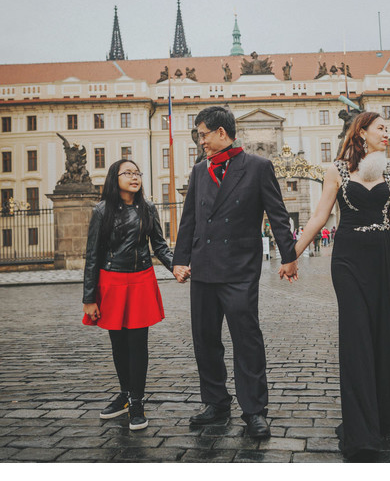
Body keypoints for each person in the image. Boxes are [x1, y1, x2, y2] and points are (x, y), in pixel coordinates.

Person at [294, 112, 390, 461]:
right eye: (381, 128)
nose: (387, 133)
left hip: (384, 258)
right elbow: (319, 216)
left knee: (384, 333)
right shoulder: (335, 170)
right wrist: (291, 254)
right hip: (348, 260)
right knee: (356, 338)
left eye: (387, 128)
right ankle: (361, 428)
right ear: (362, 132)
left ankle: (382, 416)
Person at [172, 106, 298, 439]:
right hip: (202, 268)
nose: (200, 141)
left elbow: (277, 213)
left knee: (247, 341)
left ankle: (254, 410)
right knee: (205, 341)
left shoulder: (258, 167)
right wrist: (180, 259)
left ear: (221, 133)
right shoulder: (199, 172)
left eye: (203, 134)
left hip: (240, 269)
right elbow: (189, 221)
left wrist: (289, 256)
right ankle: (215, 402)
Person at [82, 159, 174, 431]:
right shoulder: (102, 210)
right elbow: (93, 255)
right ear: (115, 178)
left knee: (138, 343)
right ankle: (124, 394)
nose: (134, 177)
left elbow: (159, 245)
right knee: (118, 344)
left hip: (141, 280)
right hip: (111, 282)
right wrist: (89, 298)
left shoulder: (148, 208)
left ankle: (136, 401)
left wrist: (177, 266)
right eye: (128, 173)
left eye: (137, 173)